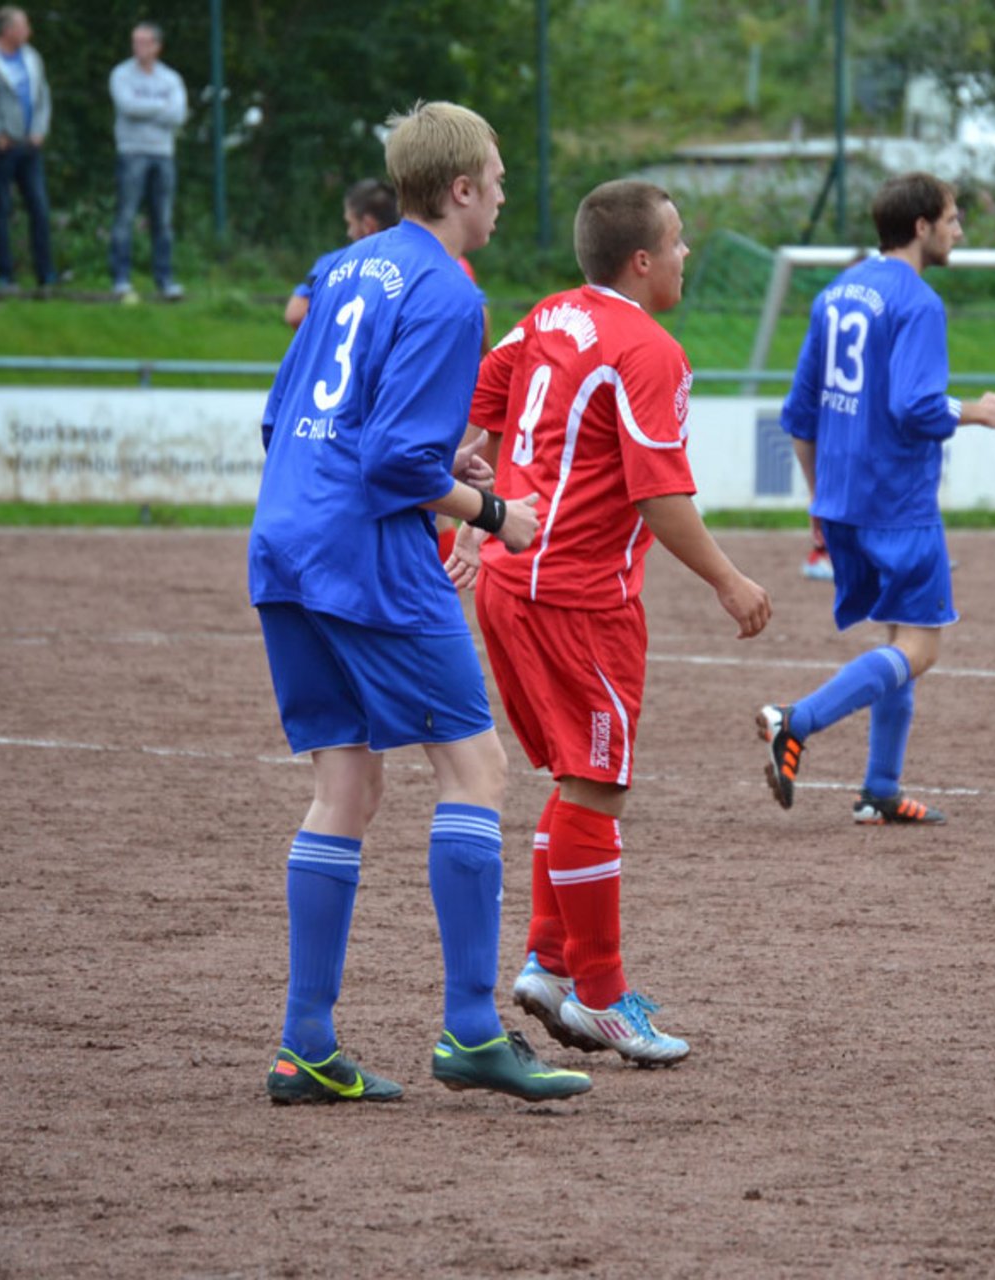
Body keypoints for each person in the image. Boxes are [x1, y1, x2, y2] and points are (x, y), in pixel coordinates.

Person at [249, 100, 590, 1106]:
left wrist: (434, 466)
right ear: (460, 190)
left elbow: (291, 419)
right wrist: (490, 511)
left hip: (287, 541)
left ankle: (305, 1041)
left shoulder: (343, 267)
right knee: (475, 767)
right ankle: (472, 1028)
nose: (502, 196)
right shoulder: (448, 289)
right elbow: (393, 458)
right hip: (364, 550)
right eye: (494, 178)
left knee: (345, 786)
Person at [456, 179, 772, 1065]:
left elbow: (485, 400)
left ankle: (551, 968)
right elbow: (660, 492)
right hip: (578, 598)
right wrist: (728, 579)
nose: (683, 256)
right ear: (641, 260)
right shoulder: (649, 349)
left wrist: (473, 506)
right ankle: (601, 995)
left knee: (575, 778)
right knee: (599, 784)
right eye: (676, 243)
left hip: (511, 580)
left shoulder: (551, 315)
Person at [757, 171, 995, 826]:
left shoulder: (836, 293)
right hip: (899, 502)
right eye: (953, 219)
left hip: (845, 501)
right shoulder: (919, 303)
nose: (959, 231)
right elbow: (917, 405)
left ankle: (880, 786)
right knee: (920, 648)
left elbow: (800, 415)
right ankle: (796, 721)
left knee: (899, 642)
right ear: (922, 227)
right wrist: (979, 412)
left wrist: (822, 502)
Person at [0, 6, 57, 289]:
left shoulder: (31, 56)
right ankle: (5, 273)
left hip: (30, 146)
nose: (28, 31)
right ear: (8, 30)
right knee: (1, 209)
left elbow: (43, 96)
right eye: (24, 25)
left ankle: (46, 273)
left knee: (39, 208)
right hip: (1, 147)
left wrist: (40, 129)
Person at [108, 21, 188, 303]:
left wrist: (147, 111)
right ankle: (120, 279)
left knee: (163, 221)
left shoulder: (171, 78)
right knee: (125, 217)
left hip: (164, 154)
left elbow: (178, 115)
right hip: (131, 153)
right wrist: (160, 108)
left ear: (157, 46)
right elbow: (127, 106)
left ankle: (164, 281)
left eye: (143, 42)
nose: (137, 47)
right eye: (135, 41)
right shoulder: (121, 74)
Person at [282, 180, 399, 329]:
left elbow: (295, 314)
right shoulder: (414, 266)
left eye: (350, 224)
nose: (348, 232)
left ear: (368, 225)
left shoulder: (333, 263)